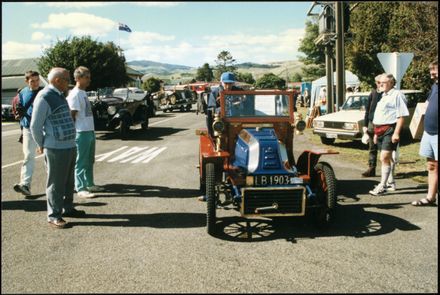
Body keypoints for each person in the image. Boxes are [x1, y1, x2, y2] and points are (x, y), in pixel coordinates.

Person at [30, 67, 85, 229]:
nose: (69, 83)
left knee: (68, 181)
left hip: (69, 145)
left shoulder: (59, 95)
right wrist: (41, 144)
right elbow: (35, 126)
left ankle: (67, 208)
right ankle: (53, 215)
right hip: (55, 148)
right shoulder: (45, 96)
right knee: (55, 183)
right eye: (67, 80)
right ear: (57, 81)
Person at [199, 72, 242, 201]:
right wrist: (225, 106)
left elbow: (247, 104)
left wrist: (240, 103)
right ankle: (208, 191)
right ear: (221, 83)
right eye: (226, 83)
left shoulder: (239, 91)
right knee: (211, 156)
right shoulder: (215, 92)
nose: (228, 86)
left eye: (230, 83)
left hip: (239, 123)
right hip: (222, 126)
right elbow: (212, 109)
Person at [66, 66, 103, 198]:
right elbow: (72, 115)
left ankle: (89, 183)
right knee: (81, 160)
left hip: (89, 130)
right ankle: (80, 187)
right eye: (86, 77)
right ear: (78, 78)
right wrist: (72, 134)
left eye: (89, 77)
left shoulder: (83, 93)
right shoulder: (75, 94)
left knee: (89, 160)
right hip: (81, 132)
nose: (89, 80)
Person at [369, 73, 409, 196]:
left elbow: (401, 115)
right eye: (379, 82)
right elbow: (381, 115)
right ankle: (391, 182)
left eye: (383, 82)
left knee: (384, 157)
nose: (380, 84)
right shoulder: (383, 95)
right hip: (379, 130)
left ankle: (382, 185)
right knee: (388, 158)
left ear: (391, 83)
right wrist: (376, 133)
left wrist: (396, 133)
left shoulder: (397, 95)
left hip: (390, 130)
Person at [13, 71, 43, 196]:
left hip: (43, 128)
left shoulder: (43, 92)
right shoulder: (22, 93)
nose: (36, 83)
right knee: (28, 156)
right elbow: (17, 108)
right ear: (26, 81)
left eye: (37, 80)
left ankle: (59, 183)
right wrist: (18, 114)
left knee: (49, 157)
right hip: (28, 128)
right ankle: (25, 184)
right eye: (32, 81)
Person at [412, 61, 438, 206]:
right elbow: (427, 104)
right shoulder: (435, 86)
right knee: (431, 165)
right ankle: (430, 197)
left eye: (434, 70)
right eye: (431, 70)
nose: (431, 73)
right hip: (429, 132)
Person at [361, 74, 383, 177]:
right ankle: (371, 168)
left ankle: (386, 171)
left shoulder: (386, 94)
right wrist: (365, 124)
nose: (378, 84)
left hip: (383, 124)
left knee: (383, 148)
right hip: (371, 123)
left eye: (380, 82)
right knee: (372, 147)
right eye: (377, 82)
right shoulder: (373, 92)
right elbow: (368, 109)